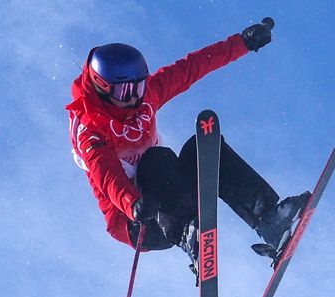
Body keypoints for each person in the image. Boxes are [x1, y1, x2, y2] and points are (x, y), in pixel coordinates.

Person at [66, 19, 309, 270]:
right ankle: (187, 234)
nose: (134, 98)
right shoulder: (90, 128)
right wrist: (132, 203)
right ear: (102, 87)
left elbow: (192, 67)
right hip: (139, 221)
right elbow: (105, 174)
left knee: (203, 149)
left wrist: (242, 43)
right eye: (125, 91)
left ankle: (269, 219)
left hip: (172, 195)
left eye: (139, 86)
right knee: (157, 160)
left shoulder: (146, 97)